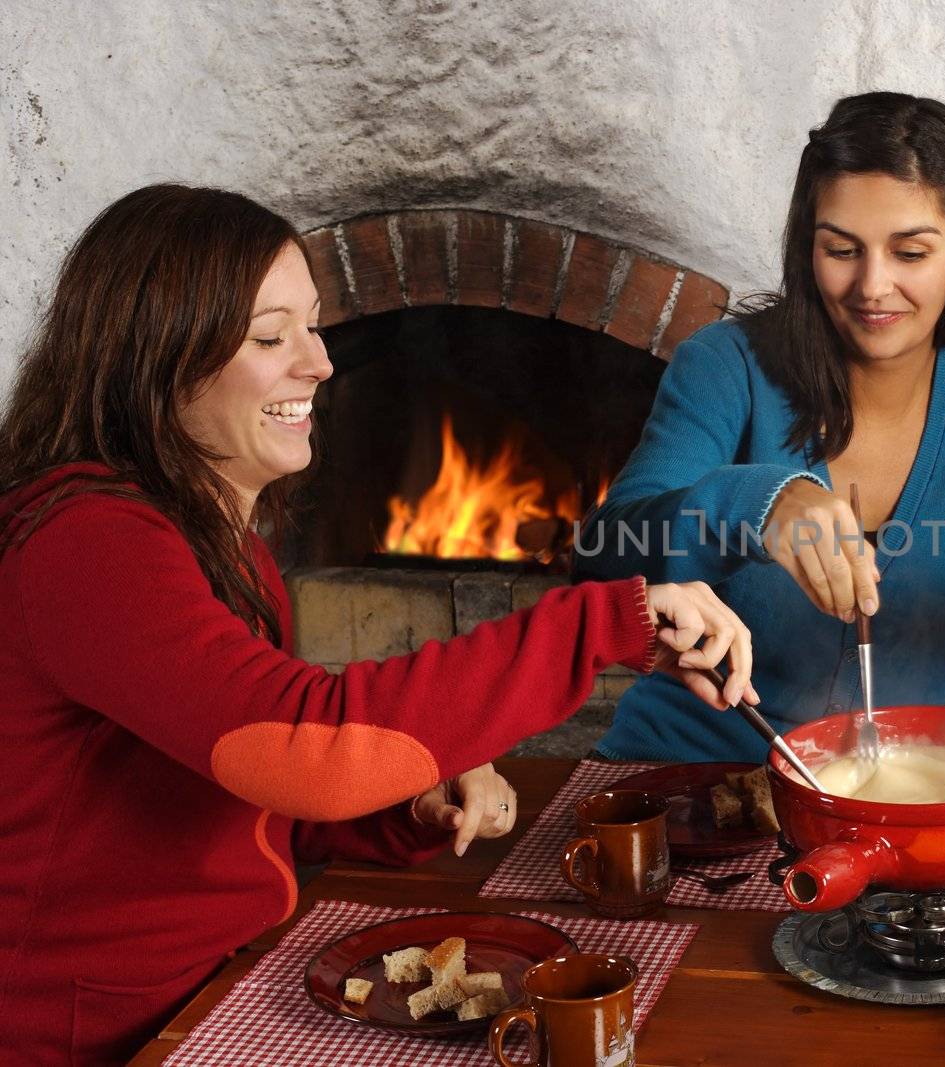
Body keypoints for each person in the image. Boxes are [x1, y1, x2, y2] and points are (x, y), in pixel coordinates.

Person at [0, 184, 755, 1065]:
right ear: (156, 361)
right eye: (271, 337)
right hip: (95, 1037)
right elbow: (304, 749)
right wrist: (599, 626)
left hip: (212, 987)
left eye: (314, 327)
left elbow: (240, 793)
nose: (319, 364)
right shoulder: (87, 542)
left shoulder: (214, 540)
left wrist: (401, 803)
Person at [574, 92, 945, 762]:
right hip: (684, 770)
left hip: (904, 784)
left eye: (911, 252)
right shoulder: (725, 366)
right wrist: (756, 506)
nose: (873, 285)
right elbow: (601, 555)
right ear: (807, 249)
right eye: (842, 249)